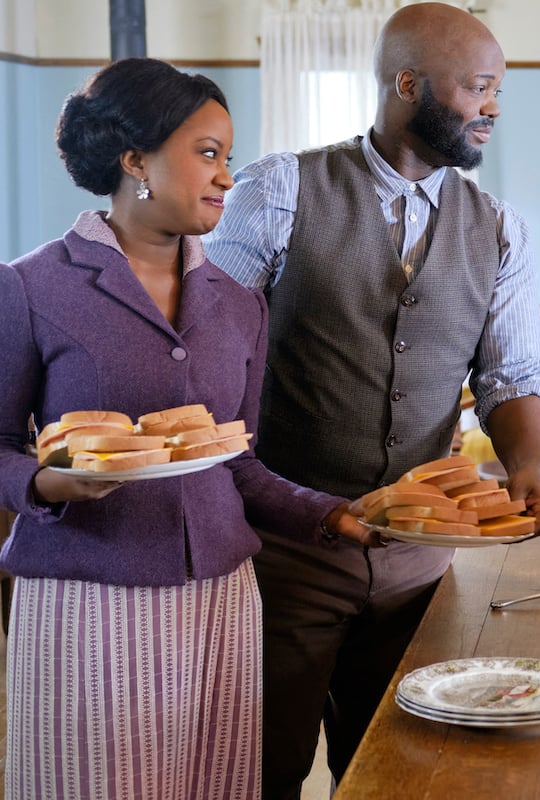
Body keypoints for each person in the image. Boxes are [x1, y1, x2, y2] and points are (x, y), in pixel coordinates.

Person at [202, 3, 540, 796]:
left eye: (498, 89)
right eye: (478, 87)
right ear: (409, 85)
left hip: (421, 565)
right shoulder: (280, 188)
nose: (493, 107)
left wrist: (527, 462)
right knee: (264, 770)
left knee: (399, 772)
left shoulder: (500, 228)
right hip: (284, 553)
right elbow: (208, 349)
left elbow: (516, 371)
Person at [0, 58, 370, 800]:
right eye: (207, 154)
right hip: (87, 600)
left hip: (222, 601)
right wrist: (47, 482)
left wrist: (332, 512)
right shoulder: (31, 286)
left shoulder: (238, 304)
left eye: (228, 157)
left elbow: (239, 462)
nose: (227, 178)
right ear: (135, 160)